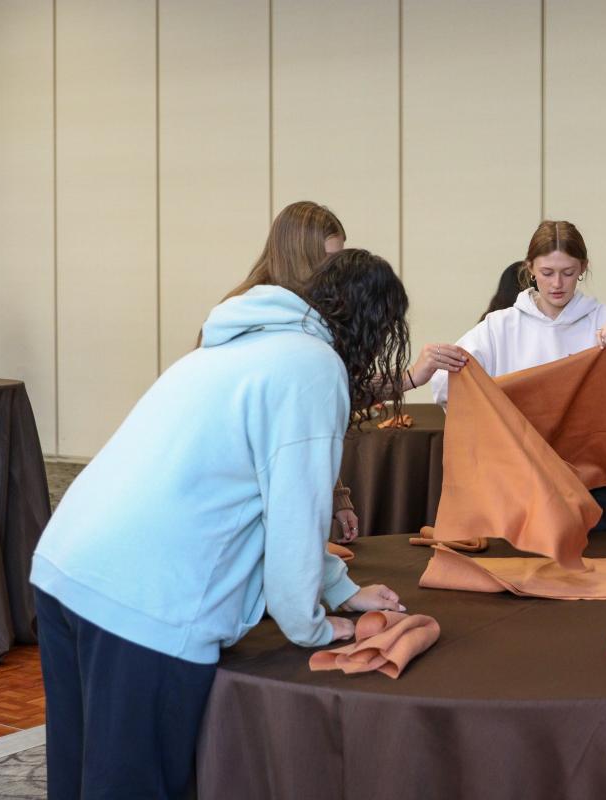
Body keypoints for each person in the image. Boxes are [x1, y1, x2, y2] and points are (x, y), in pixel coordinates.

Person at [30, 249, 412, 799]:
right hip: (148, 600)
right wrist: (314, 625)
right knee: (137, 785)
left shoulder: (240, 343)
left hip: (68, 565)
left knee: (80, 774)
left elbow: (242, 492)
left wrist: (338, 587)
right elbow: (294, 513)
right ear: (375, 326)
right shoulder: (314, 366)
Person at [214, 201, 466, 541]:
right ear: (301, 259)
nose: (338, 274)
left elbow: (319, 412)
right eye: (330, 261)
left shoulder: (282, 319)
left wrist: (337, 495)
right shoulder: (278, 334)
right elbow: (306, 428)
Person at [431, 220, 606, 532]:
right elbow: (450, 386)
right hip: (518, 479)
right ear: (530, 268)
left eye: (567, 273)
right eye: (547, 273)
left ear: (583, 268)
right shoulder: (500, 327)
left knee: (597, 569)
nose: (557, 283)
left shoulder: (605, 320)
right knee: (520, 571)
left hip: (589, 482)